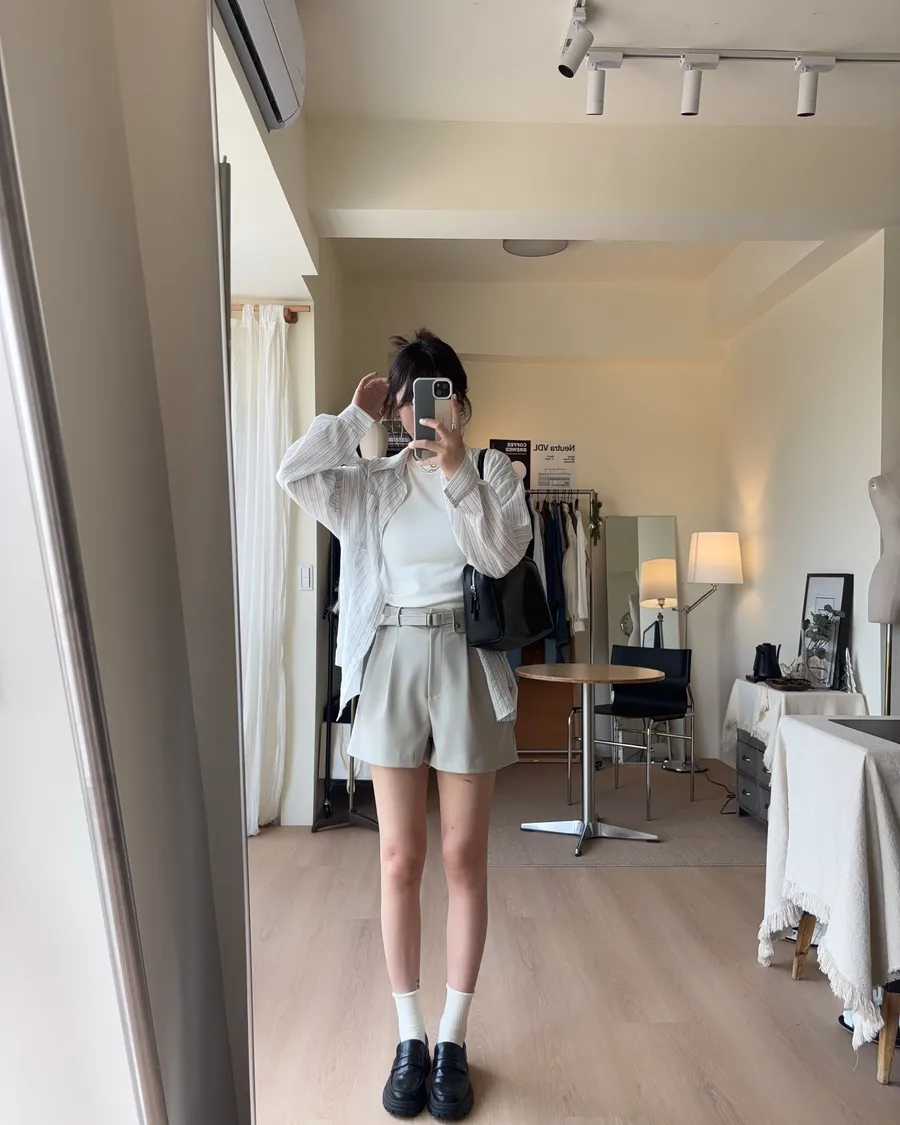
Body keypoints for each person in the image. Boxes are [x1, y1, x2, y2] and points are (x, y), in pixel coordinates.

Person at [276, 330, 531, 1120]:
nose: (423, 409)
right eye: (409, 394)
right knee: (397, 857)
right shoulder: (372, 479)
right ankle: (409, 1034)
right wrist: (351, 420)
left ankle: (453, 1035)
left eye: (437, 391)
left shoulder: (493, 472)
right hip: (388, 654)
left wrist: (456, 472)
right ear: (395, 405)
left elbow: (501, 555)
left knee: (462, 856)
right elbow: (293, 475)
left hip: (465, 659)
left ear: (458, 401)